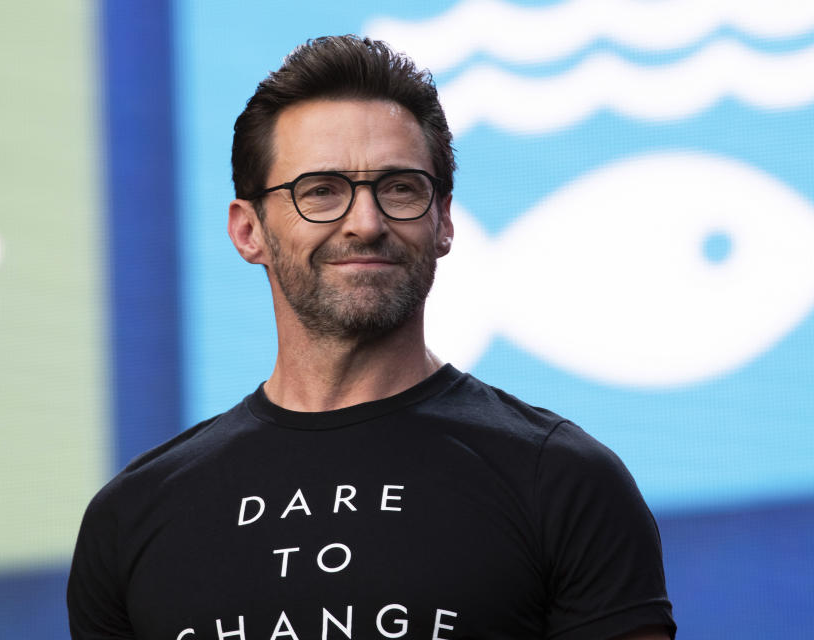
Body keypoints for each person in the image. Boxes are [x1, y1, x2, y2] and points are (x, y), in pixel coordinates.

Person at [68, 35, 676, 640]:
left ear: (443, 222)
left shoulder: (564, 482)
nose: (366, 223)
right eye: (321, 191)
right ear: (248, 230)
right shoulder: (133, 515)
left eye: (401, 188)